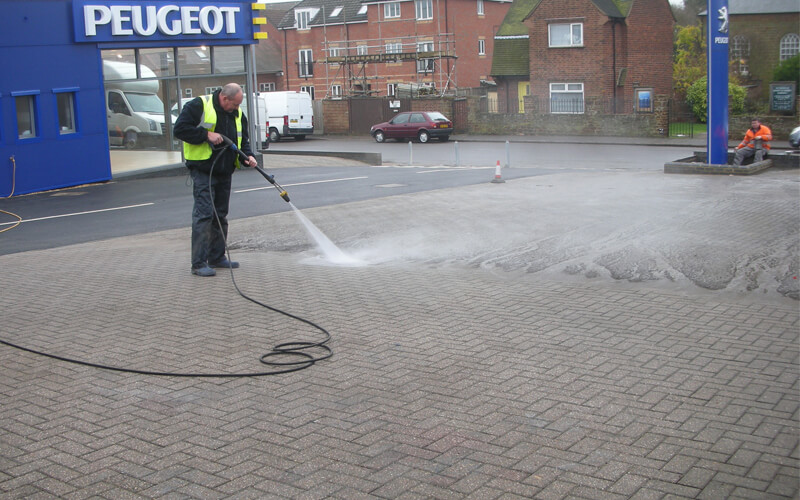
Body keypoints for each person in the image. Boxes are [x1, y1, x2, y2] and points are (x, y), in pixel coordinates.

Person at [174, 83, 258, 277]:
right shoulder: (199, 106)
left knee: (220, 215)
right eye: (235, 105)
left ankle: (217, 257)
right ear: (224, 98)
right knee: (204, 215)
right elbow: (180, 129)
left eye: (239, 106)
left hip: (225, 170)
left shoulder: (237, 114)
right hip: (203, 169)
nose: (237, 109)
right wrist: (206, 135)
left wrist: (248, 156)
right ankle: (198, 263)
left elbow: (241, 140)